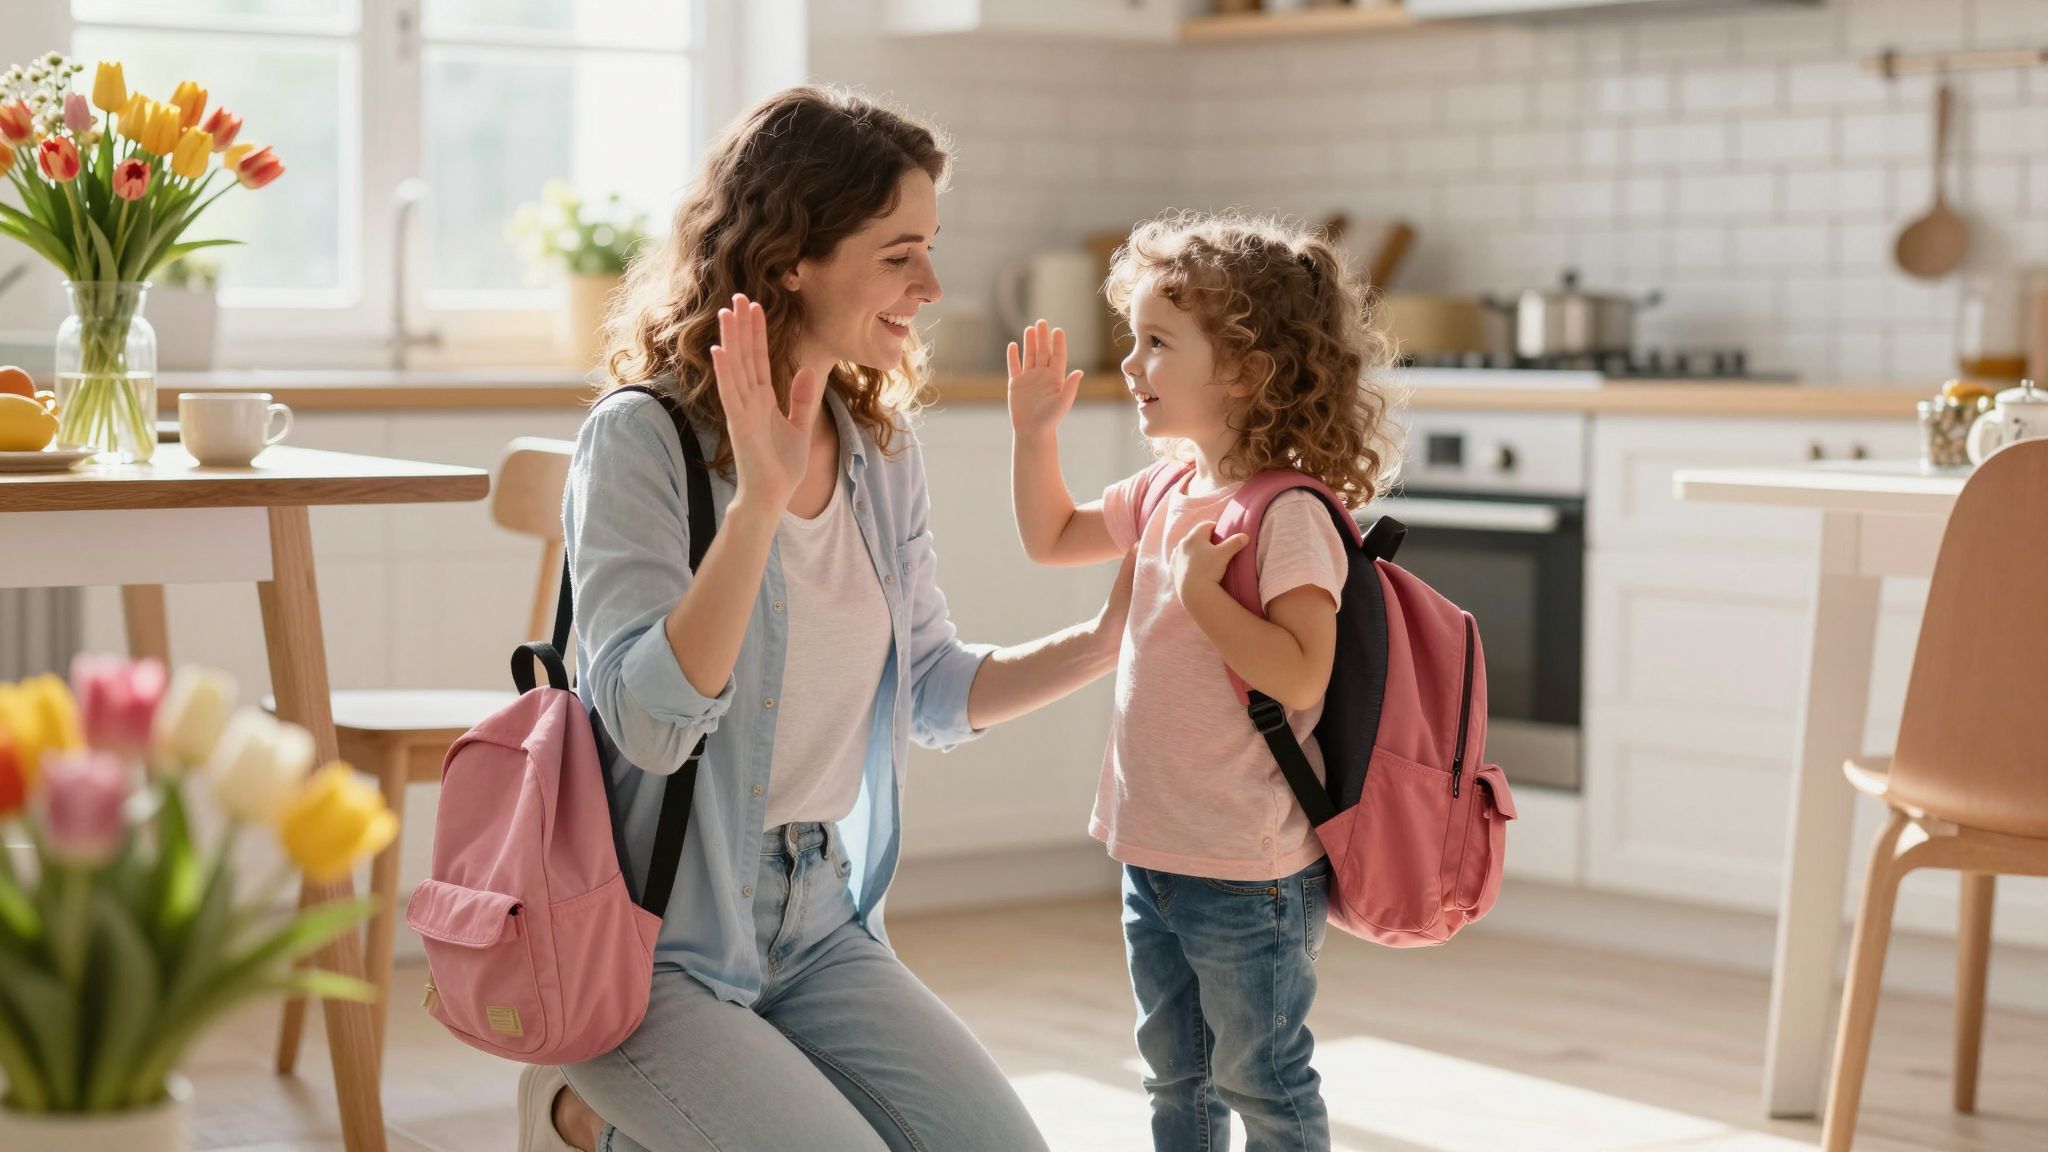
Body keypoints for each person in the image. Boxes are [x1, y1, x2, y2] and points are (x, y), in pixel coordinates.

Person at [521, 86, 1130, 1152]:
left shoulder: (876, 448)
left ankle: (632, 1124)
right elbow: (651, 726)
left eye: (930, 248)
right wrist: (754, 507)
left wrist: (1105, 639)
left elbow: (931, 688)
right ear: (795, 254)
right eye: (899, 253)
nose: (932, 285)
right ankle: (594, 1109)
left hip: (817, 916)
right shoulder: (640, 440)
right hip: (648, 943)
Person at [1004, 211, 1401, 1151]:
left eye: (1156, 344)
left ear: (1246, 369)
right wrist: (1033, 437)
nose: (1131, 367)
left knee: (1261, 1081)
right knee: (1176, 1079)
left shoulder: (1290, 514)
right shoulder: (1166, 488)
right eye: (1131, 342)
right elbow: (1051, 537)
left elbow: (1303, 672)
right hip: (1158, 849)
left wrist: (1200, 597)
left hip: (1249, 870)